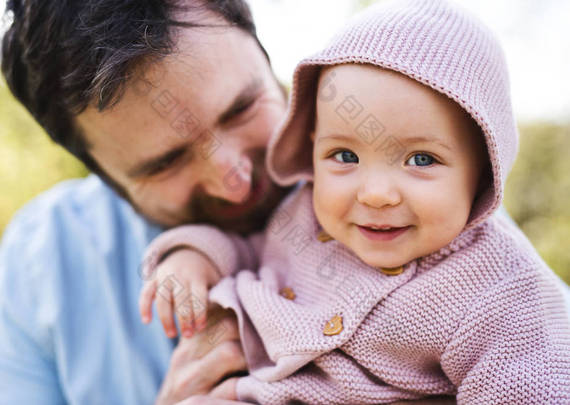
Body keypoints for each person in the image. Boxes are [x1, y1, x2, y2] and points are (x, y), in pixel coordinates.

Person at [139, 0, 570, 403]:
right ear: (312, 145)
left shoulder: (500, 288)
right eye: (344, 156)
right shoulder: (305, 211)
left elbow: (533, 385)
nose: (375, 193)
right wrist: (191, 257)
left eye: (422, 159)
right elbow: (250, 251)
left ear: (483, 171)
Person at [0, 0, 291, 404]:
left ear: (262, 51)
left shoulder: (384, 168)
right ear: (101, 173)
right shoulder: (42, 262)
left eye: (241, 108)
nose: (234, 182)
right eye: (167, 162)